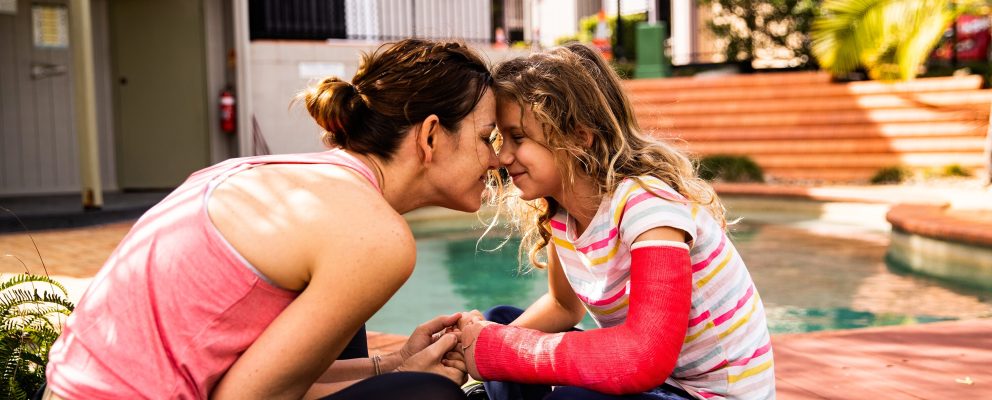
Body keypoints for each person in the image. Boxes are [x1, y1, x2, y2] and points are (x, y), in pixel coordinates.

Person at [44, 39, 500, 400]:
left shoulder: (277, 177)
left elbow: (257, 375)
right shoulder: (375, 237)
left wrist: (397, 360)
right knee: (428, 395)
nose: (498, 159)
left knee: (363, 334)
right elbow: (247, 397)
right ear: (431, 136)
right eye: (487, 137)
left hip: (67, 389)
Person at [456, 43, 776, 399]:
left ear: (579, 137)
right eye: (501, 139)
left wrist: (494, 350)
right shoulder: (563, 214)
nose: (501, 157)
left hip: (703, 394)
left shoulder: (647, 206)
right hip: (655, 385)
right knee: (500, 321)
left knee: (567, 397)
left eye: (518, 137)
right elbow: (564, 307)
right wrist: (474, 343)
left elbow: (646, 356)